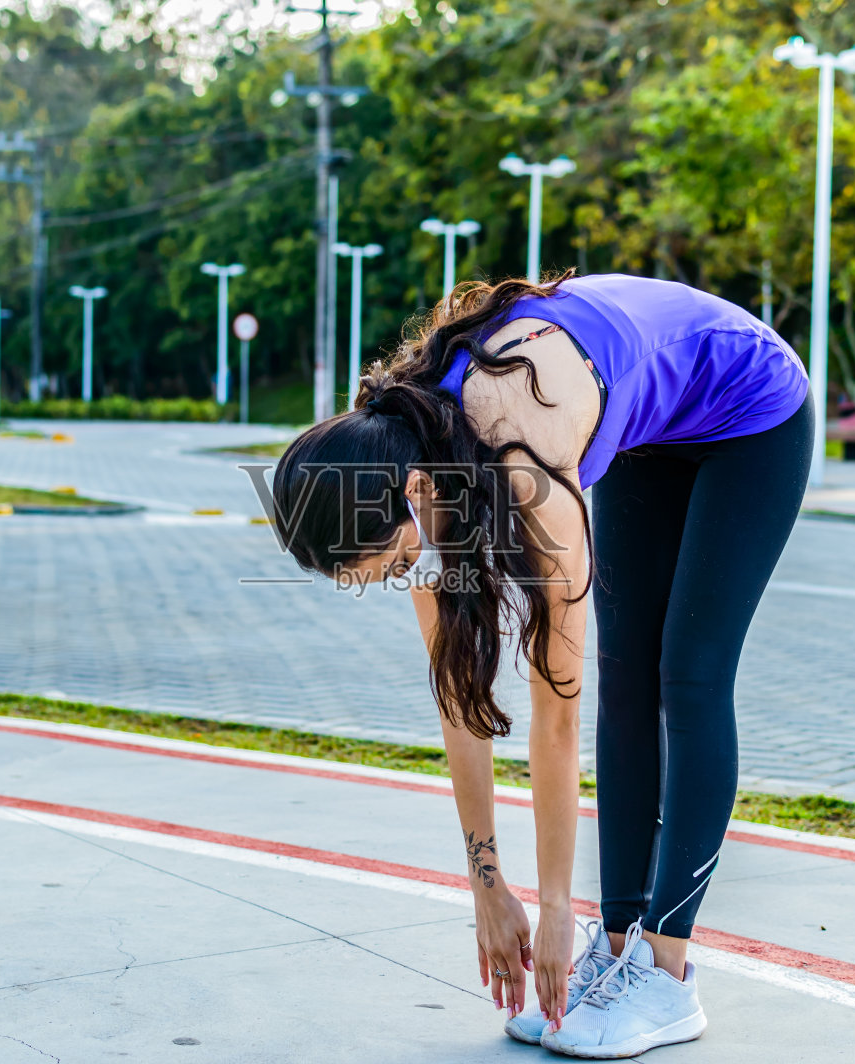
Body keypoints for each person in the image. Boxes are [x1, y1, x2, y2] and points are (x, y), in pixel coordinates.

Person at [271, 271, 811, 1058]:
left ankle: (666, 974)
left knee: (686, 676)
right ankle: (619, 946)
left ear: (416, 495)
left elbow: (555, 712)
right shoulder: (415, 473)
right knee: (627, 681)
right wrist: (487, 887)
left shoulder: (524, 463)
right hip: (652, 424)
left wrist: (554, 905)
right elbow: (461, 700)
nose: (401, 581)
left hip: (749, 409)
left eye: (392, 566)